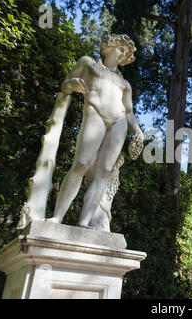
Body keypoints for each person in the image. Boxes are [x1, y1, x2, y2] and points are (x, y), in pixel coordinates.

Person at [47, 34, 144, 229]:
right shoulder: (88, 64)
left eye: (126, 53)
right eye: (121, 49)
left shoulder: (125, 84)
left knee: (105, 172)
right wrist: (71, 85)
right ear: (109, 46)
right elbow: (65, 86)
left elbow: (129, 112)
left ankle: (84, 223)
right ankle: (57, 217)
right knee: (81, 163)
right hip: (95, 115)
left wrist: (138, 131)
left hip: (118, 123)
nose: (122, 54)